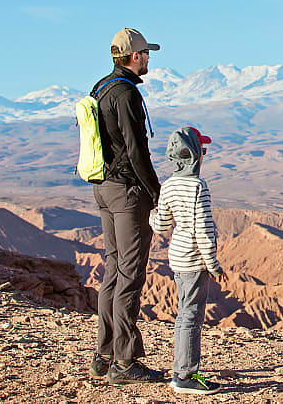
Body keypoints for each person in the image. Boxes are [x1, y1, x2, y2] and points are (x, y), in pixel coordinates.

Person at [89, 27, 165, 384]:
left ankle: (104, 354)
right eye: (146, 53)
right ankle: (124, 362)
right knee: (130, 275)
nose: (149, 58)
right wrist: (156, 191)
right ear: (135, 56)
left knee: (113, 270)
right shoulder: (127, 94)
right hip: (126, 193)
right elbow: (137, 151)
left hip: (102, 188)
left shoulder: (100, 88)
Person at [150, 126, 228, 395]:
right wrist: (213, 264)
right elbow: (205, 231)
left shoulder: (168, 186)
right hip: (195, 260)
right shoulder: (198, 187)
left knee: (184, 313)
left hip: (177, 258)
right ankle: (185, 376)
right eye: (202, 151)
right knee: (191, 317)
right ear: (193, 155)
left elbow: (161, 225)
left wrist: (152, 214)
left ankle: (181, 371)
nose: (204, 155)